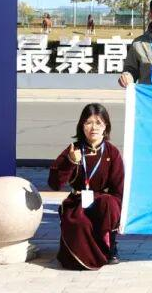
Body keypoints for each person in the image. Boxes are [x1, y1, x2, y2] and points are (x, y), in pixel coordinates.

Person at [48, 103, 125, 269]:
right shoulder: (74, 149)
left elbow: (119, 188)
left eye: (98, 123)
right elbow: (54, 184)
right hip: (78, 200)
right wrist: (70, 162)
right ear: (82, 126)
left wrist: (120, 215)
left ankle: (110, 247)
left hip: (103, 201)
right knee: (79, 223)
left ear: (106, 126)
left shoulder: (112, 152)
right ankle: (80, 256)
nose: (94, 127)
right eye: (89, 122)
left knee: (110, 203)